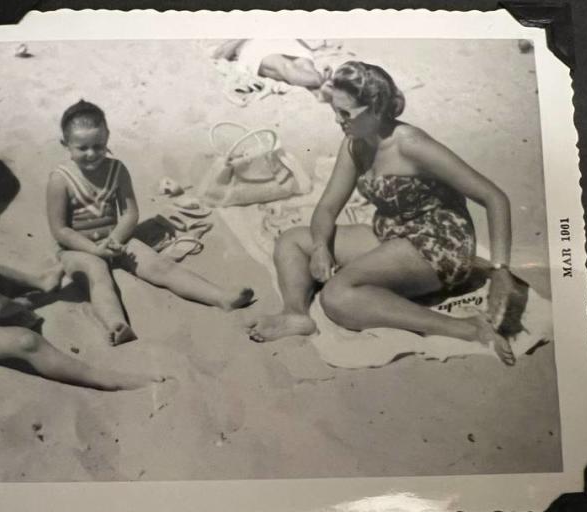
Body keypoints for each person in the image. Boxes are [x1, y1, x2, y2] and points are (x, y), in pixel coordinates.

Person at [247, 61, 517, 365]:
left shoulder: (412, 145)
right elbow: (326, 207)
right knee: (292, 241)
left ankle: (467, 328)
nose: (338, 120)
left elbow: (494, 197)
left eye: (347, 113)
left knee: (336, 297)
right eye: (335, 110)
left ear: (376, 110)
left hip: (440, 245)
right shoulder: (354, 144)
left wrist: (501, 270)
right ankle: (295, 314)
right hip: (392, 232)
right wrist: (322, 247)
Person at [0, 154, 164, 389]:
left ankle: (41, 281)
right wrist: (20, 305)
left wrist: (34, 282)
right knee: (26, 341)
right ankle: (106, 379)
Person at [46, 100, 255, 345]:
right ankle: (116, 324)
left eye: (98, 146)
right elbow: (60, 230)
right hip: (78, 249)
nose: (91, 154)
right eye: (82, 148)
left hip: (115, 240)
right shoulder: (60, 180)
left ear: (107, 138)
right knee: (98, 275)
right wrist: (94, 249)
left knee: (160, 266)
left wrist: (115, 240)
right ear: (66, 145)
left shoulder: (117, 170)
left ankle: (221, 297)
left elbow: (129, 213)